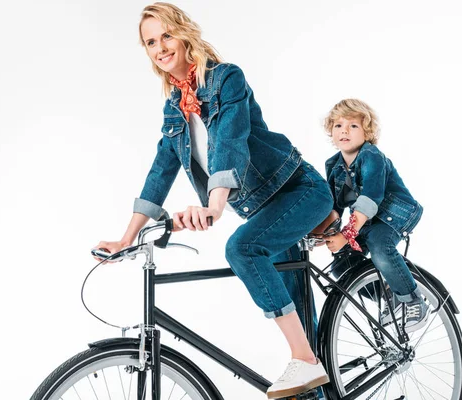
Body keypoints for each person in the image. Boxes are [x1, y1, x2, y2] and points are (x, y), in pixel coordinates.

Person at [93, 3, 333, 398]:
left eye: (165, 35)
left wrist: (215, 205)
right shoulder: (174, 107)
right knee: (298, 316)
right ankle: (312, 375)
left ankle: (304, 360)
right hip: (267, 210)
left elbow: (230, 143)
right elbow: (160, 171)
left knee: (242, 248)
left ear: (184, 34)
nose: (159, 47)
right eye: (150, 42)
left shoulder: (226, 79)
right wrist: (126, 238)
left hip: (300, 191)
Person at [321, 99, 429, 333]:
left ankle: (412, 300)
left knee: (380, 247)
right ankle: (389, 294)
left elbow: (370, 198)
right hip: (365, 223)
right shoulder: (333, 165)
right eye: (338, 126)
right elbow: (333, 206)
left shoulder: (372, 156)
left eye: (353, 126)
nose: (345, 131)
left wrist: (347, 233)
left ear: (367, 131)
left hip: (392, 216)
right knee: (341, 266)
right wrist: (323, 233)